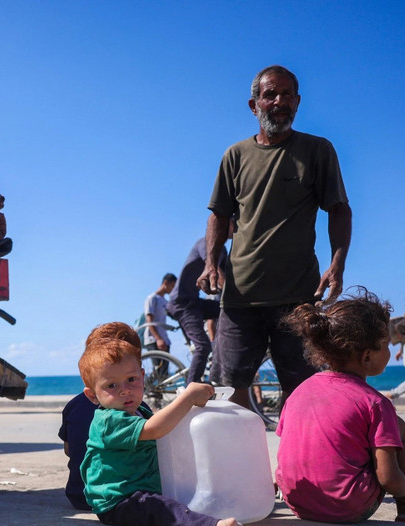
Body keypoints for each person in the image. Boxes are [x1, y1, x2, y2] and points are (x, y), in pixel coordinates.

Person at [197, 65, 352, 411]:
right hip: (240, 297)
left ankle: (296, 450)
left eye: (287, 94)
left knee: (304, 394)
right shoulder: (235, 155)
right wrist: (211, 264)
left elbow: (339, 209)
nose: (279, 101)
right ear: (254, 105)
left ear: (297, 102)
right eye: (270, 95)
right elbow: (219, 215)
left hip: (298, 297)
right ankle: (238, 450)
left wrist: (337, 264)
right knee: (228, 392)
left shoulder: (317, 150)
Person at [276, 290, 405, 524]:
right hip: (348, 506)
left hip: (297, 501)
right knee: (397, 427)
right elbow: (388, 478)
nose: (390, 351)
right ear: (367, 357)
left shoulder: (299, 392)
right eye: (386, 345)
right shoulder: (376, 403)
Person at [77, 332, 247, 526]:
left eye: (131, 380)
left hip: (147, 486)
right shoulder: (108, 421)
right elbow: (156, 429)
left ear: (142, 375)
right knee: (162, 509)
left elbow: (165, 428)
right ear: (92, 395)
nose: (125, 390)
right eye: (111, 386)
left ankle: (237, 507)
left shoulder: (140, 410)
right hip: (119, 500)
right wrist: (186, 398)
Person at [58, 322, 145, 511]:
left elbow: (69, 450)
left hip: (77, 493)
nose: (124, 390)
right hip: (113, 498)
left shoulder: (73, 406)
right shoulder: (133, 408)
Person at [167, 236, 228, 383]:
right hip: (181, 303)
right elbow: (215, 270)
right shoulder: (206, 243)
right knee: (203, 346)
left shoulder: (223, 251)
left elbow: (227, 277)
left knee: (227, 309)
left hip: (195, 302)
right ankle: (191, 388)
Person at [142, 273, 176, 356]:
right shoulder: (152, 298)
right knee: (158, 364)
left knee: (166, 364)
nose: (173, 289)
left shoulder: (165, 301)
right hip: (153, 340)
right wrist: (158, 339)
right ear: (165, 283)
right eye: (172, 286)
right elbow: (149, 320)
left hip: (164, 340)